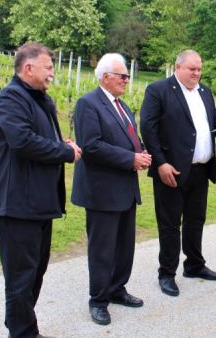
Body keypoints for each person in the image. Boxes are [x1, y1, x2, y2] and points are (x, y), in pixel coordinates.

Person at [0, 42, 82, 338]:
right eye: (48, 67)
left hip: (40, 202)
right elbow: (23, 141)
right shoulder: (10, 99)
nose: (52, 73)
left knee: (35, 273)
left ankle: (23, 327)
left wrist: (60, 143)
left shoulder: (39, 99)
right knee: (21, 278)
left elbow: (38, 137)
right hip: (18, 205)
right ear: (28, 68)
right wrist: (64, 152)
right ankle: (23, 333)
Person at [140, 49, 216, 297]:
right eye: (192, 69)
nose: (197, 73)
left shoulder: (204, 92)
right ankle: (167, 273)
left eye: (199, 69)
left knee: (196, 220)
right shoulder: (158, 90)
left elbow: (214, 120)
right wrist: (160, 163)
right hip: (172, 170)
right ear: (178, 67)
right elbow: (148, 129)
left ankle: (194, 265)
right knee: (170, 224)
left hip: (201, 169)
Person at [71, 53, 151, 326]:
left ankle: (117, 289)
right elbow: (91, 145)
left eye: (128, 76)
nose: (127, 80)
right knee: (102, 250)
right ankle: (98, 300)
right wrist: (130, 159)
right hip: (102, 191)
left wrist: (142, 152)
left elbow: (131, 139)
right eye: (122, 76)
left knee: (124, 247)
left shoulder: (123, 106)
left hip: (125, 189)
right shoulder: (88, 104)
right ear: (105, 77)